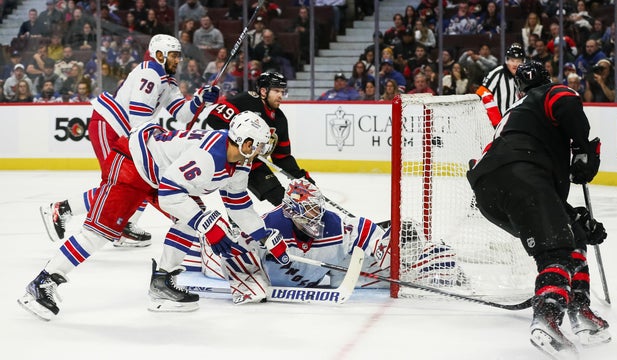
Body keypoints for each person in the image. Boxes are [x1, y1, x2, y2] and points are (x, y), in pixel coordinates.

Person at [18, 111, 288, 320]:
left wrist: (263, 236)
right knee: (100, 232)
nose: (261, 152)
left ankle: (162, 281)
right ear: (245, 141)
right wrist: (208, 226)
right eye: (259, 145)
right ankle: (43, 282)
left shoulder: (240, 163)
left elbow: (238, 204)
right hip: (133, 163)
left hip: (159, 173)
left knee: (193, 219)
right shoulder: (209, 156)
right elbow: (171, 192)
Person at [467, 61, 610, 359]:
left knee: (568, 234)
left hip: (488, 190)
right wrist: (583, 148)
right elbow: (566, 102)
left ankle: (580, 311)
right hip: (521, 173)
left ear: (519, 88)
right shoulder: (551, 92)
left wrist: (576, 220)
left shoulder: (516, 112)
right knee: (555, 251)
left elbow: (540, 198)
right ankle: (547, 316)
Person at [39, 34, 221, 248]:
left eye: (178, 56)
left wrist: (200, 99)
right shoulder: (150, 73)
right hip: (111, 127)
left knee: (140, 180)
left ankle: (124, 225)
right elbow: (138, 118)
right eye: (173, 55)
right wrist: (156, 143)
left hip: (126, 134)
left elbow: (182, 115)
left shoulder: (167, 80)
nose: (177, 60)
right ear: (159, 55)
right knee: (119, 185)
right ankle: (62, 209)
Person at [198, 179, 459, 304]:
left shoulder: (332, 223)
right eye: (308, 210)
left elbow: (364, 229)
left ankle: (437, 262)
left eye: (316, 208)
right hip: (268, 276)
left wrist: (386, 246)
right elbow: (233, 252)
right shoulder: (267, 226)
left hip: (317, 273)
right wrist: (244, 271)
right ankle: (195, 244)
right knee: (214, 261)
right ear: (291, 211)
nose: (316, 215)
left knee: (396, 268)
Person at [205, 72, 313, 207]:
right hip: (234, 160)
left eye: (282, 91)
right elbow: (214, 118)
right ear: (263, 91)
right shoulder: (247, 100)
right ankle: (235, 223)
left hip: (254, 163)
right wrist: (240, 142)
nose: (280, 95)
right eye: (276, 91)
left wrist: (302, 178)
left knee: (280, 198)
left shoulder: (279, 120)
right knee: (235, 196)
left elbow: (282, 157)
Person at [475, 42, 525, 127]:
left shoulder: (523, 76)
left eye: (518, 61)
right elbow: (481, 92)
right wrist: (496, 120)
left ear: (523, 62)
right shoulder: (497, 73)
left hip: (514, 123)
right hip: (494, 125)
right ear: (506, 60)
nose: (515, 64)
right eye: (512, 60)